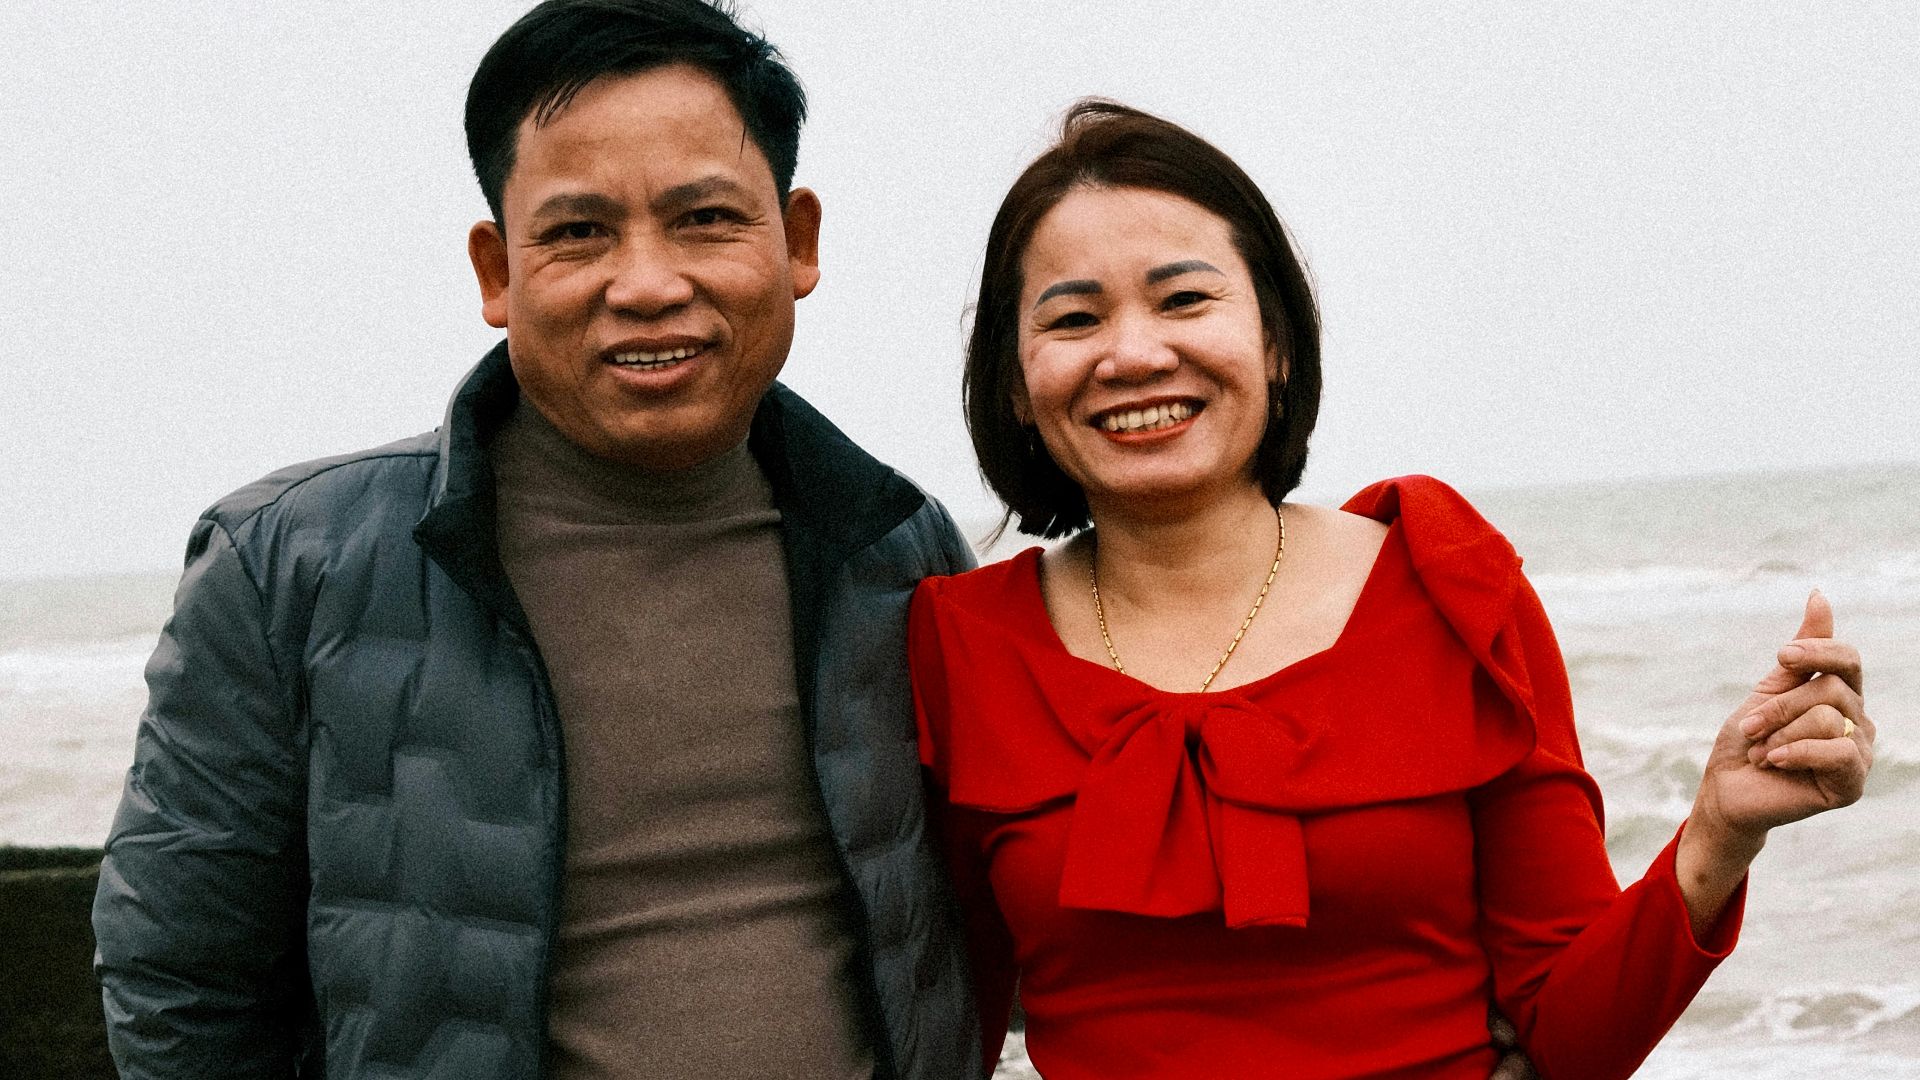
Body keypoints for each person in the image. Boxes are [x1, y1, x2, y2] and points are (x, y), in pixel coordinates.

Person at [90, 2, 985, 1077]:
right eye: (578, 232)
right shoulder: (289, 566)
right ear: (496, 272)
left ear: (797, 243)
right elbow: (184, 988)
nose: (648, 284)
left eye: (705, 218)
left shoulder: (895, 545)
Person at [909, 101, 1875, 1080]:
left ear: (1278, 341)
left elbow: (1573, 1041)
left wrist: (1721, 828)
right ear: (1015, 384)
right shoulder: (954, 647)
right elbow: (937, 1032)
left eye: (1184, 300)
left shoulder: (1446, 588)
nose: (1133, 353)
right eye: (1074, 318)